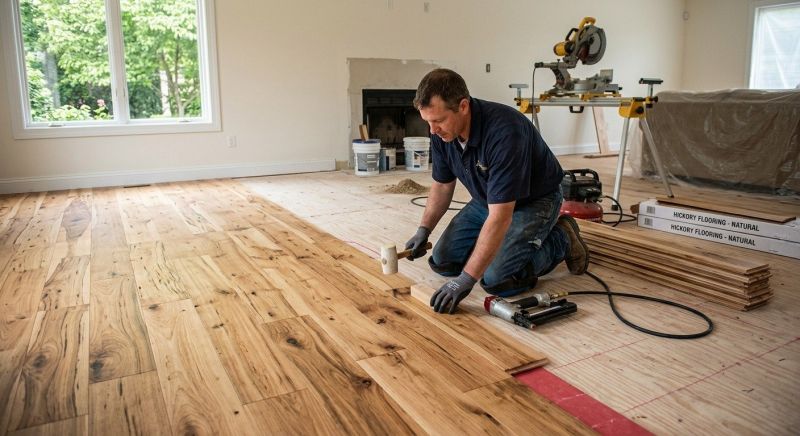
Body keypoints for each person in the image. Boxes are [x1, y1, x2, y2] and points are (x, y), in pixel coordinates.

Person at [405, 68, 589, 314]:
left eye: (437, 121)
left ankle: (562, 239)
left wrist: (466, 279)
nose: (432, 130)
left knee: (497, 280)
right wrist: (423, 229)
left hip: (534, 201)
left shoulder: (505, 132)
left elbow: (501, 216)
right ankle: (493, 248)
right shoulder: (442, 134)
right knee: (443, 262)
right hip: (488, 199)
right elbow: (442, 185)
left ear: (463, 106)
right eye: (427, 121)